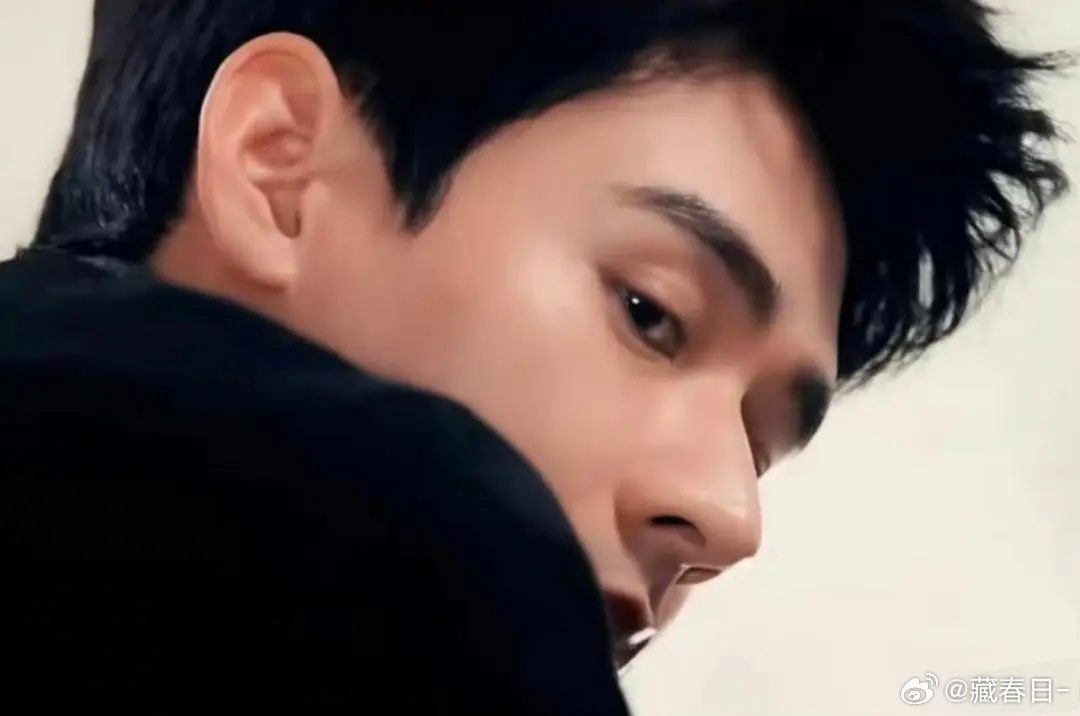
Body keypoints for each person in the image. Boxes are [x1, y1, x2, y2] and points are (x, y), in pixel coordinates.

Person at [0, 0, 1069, 713]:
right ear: (279, 166)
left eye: (757, 442)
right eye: (652, 313)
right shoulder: (420, 568)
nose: (730, 518)